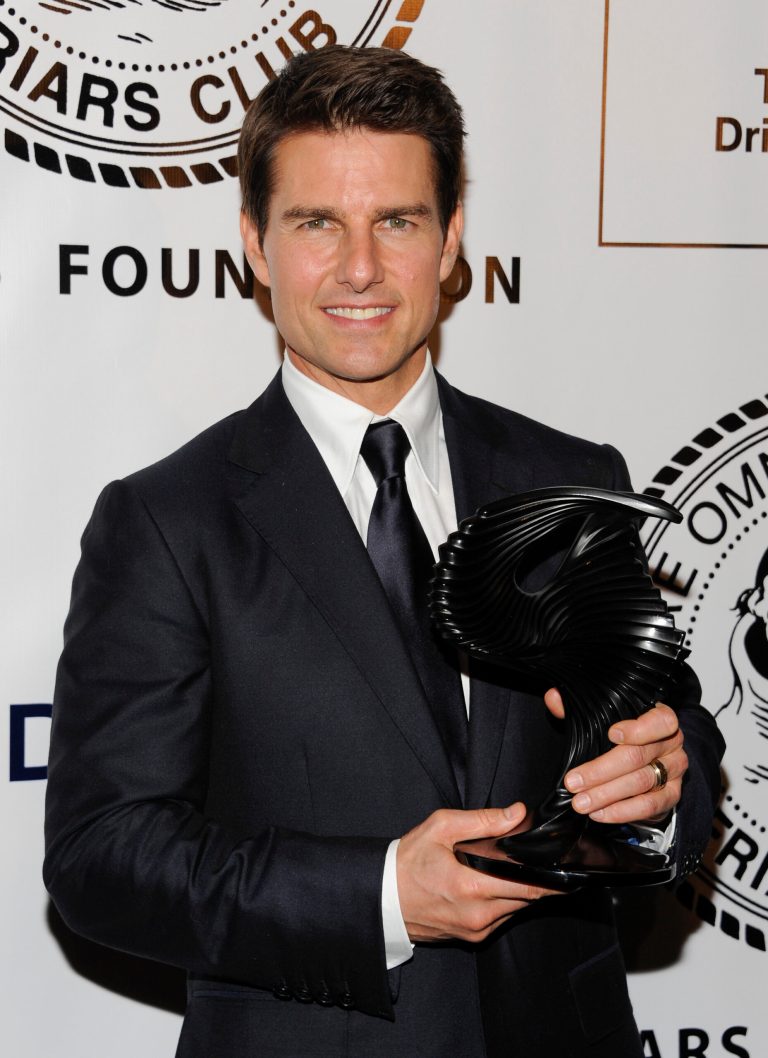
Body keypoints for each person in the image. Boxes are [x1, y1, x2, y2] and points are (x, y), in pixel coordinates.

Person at [44, 45, 724, 1058]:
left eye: (397, 221)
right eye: (317, 222)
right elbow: (103, 855)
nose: (359, 267)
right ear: (254, 242)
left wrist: (662, 789)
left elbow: (678, 745)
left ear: (451, 241)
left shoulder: (569, 476)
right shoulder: (167, 522)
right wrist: (379, 894)